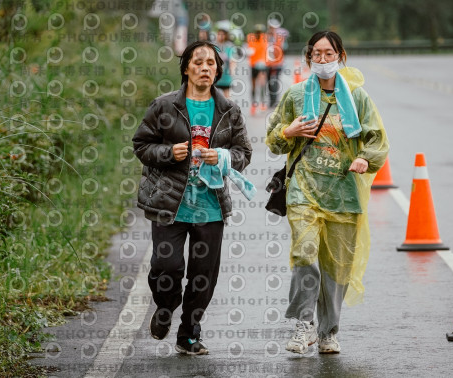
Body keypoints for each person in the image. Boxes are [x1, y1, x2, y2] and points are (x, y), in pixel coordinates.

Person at [265, 31, 389, 355]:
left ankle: (328, 331)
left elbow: (377, 138)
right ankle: (303, 324)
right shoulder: (294, 96)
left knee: (337, 268)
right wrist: (287, 131)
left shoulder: (358, 98)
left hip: (343, 193)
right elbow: (274, 138)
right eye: (316, 54)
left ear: (340, 56)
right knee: (305, 252)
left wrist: (364, 157)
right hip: (303, 190)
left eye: (328, 53)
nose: (322, 59)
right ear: (308, 59)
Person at [133, 41, 253, 355]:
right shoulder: (164, 106)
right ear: (186, 67)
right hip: (169, 204)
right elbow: (141, 146)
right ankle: (164, 307)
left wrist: (224, 157)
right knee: (167, 267)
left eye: (210, 64)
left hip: (210, 207)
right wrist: (167, 153)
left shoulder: (229, 110)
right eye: (197, 62)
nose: (204, 68)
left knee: (203, 278)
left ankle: (188, 333)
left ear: (218, 70)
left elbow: (244, 154)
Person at [265, 18, 288, 109]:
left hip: (277, 64)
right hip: (267, 64)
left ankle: (274, 101)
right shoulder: (266, 36)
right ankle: (271, 101)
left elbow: (284, 48)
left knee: (274, 82)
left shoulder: (280, 37)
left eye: (274, 28)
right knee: (269, 83)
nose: (272, 29)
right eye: (271, 27)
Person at [246, 23, 268, 116]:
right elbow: (249, 49)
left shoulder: (264, 38)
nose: (259, 34)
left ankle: (262, 103)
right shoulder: (250, 37)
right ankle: (254, 105)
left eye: (260, 32)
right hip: (253, 64)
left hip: (262, 64)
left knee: (262, 84)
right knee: (254, 85)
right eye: (257, 32)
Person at [214, 20, 236, 98]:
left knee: (227, 97)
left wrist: (232, 69)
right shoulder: (214, 46)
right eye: (219, 34)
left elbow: (232, 60)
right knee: (214, 97)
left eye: (222, 34)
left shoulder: (229, 46)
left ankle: (228, 110)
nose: (220, 36)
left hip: (226, 77)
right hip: (215, 77)